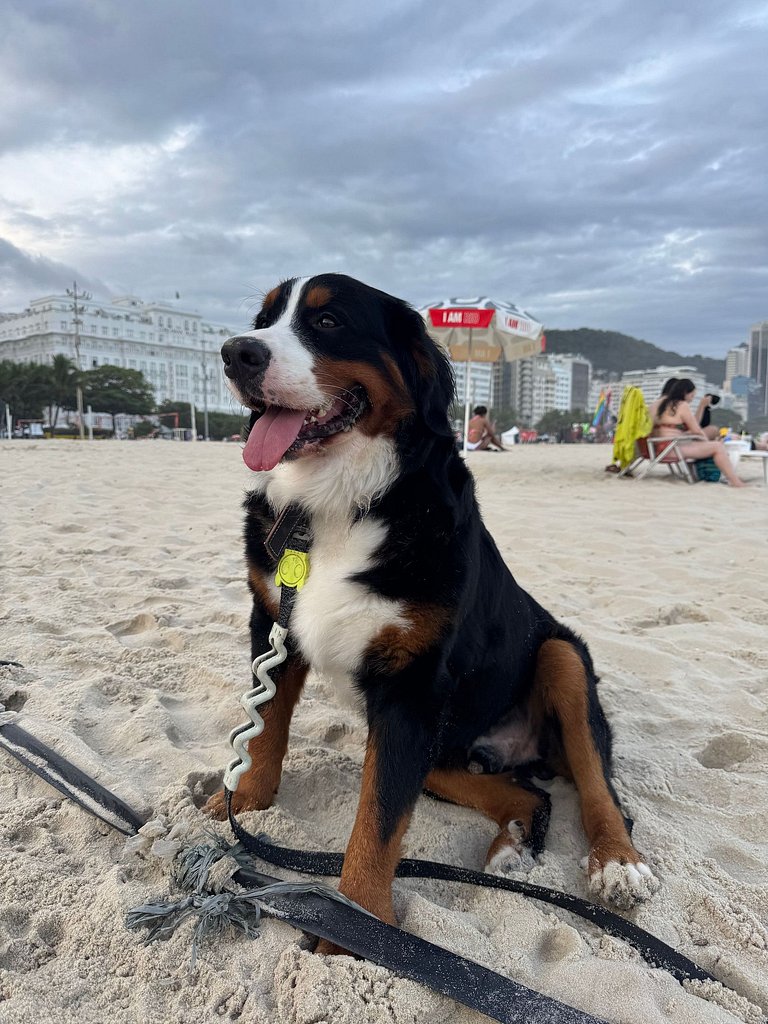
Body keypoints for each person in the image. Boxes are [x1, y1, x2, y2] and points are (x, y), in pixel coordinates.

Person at [652, 378, 746, 487]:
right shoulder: (681, 405)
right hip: (671, 449)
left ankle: (698, 474)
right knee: (717, 447)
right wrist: (707, 443)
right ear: (685, 393)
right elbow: (696, 430)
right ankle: (736, 482)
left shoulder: (661, 405)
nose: (691, 399)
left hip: (660, 447)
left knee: (709, 441)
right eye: (692, 396)